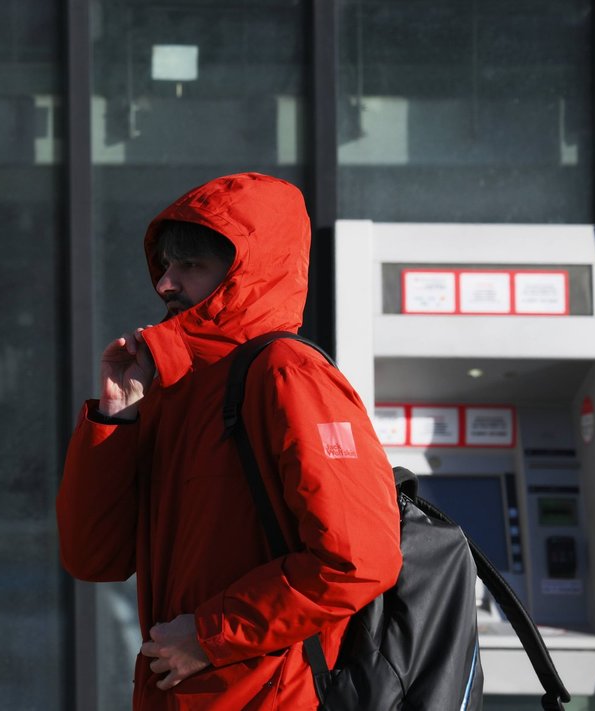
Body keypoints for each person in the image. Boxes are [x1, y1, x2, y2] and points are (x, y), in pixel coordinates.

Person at [56, 173, 402, 710]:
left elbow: (357, 560)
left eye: (191, 265)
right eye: (166, 265)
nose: (166, 284)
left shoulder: (288, 373)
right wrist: (115, 417)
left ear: (247, 273)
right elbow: (92, 558)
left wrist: (210, 635)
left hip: (270, 697)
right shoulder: (177, 392)